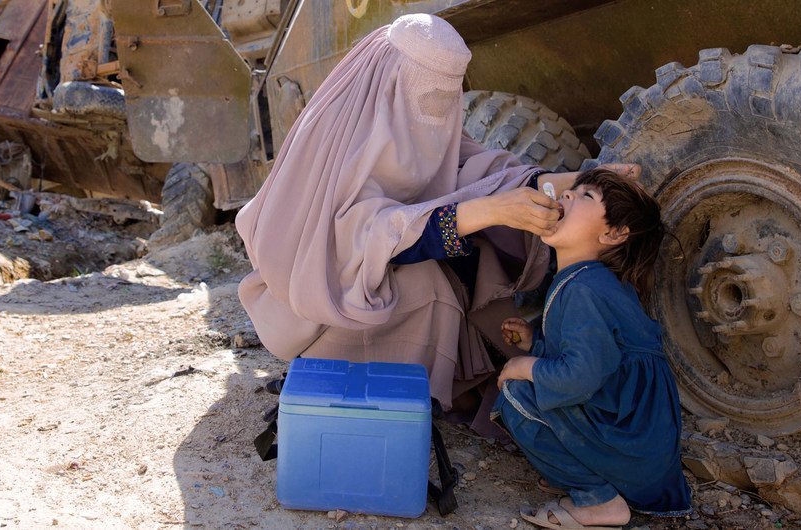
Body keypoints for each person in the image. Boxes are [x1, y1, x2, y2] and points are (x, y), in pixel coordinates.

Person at [236, 12, 591, 434]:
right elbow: (354, 241)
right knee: (428, 286)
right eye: (430, 93)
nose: (439, 108)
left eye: (449, 95)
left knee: (454, 266)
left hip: (373, 275)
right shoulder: (339, 132)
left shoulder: (423, 120)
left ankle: (418, 385)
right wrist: (491, 211)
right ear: (392, 78)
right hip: (317, 304)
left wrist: (580, 181)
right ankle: (352, 377)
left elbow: (477, 172)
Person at [495, 167, 691, 529]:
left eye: (585, 196)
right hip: (640, 450)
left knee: (515, 395)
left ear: (614, 233)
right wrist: (535, 342)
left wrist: (523, 365)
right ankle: (588, 474)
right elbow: (596, 364)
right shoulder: (589, 281)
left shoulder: (584, 289)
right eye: (573, 190)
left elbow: (581, 377)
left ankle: (599, 501)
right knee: (532, 387)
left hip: (632, 450)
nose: (567, 194)